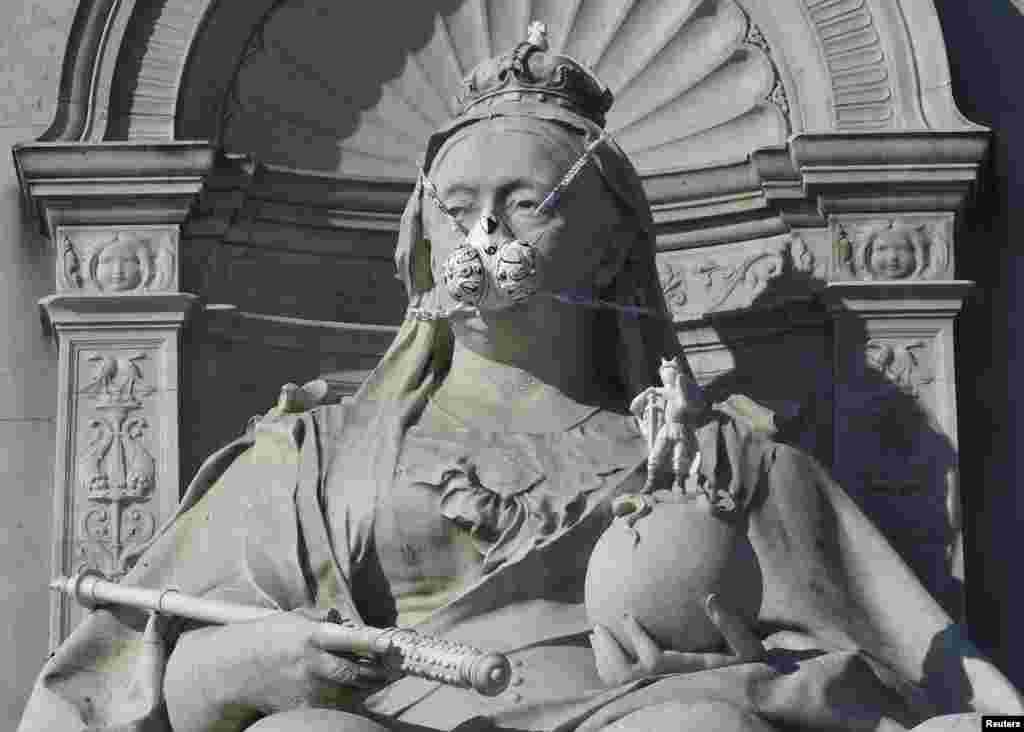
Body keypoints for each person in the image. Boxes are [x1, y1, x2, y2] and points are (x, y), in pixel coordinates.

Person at [18, 24, 1022, 732]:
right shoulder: (316, 454)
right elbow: (125, 683)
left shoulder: (714, 462)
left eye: (522, 205)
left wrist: (734, 672)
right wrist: (230, 665)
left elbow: (898, 680)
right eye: (456, 209)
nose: (481, 235)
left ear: (606, 246)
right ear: (419, 235)